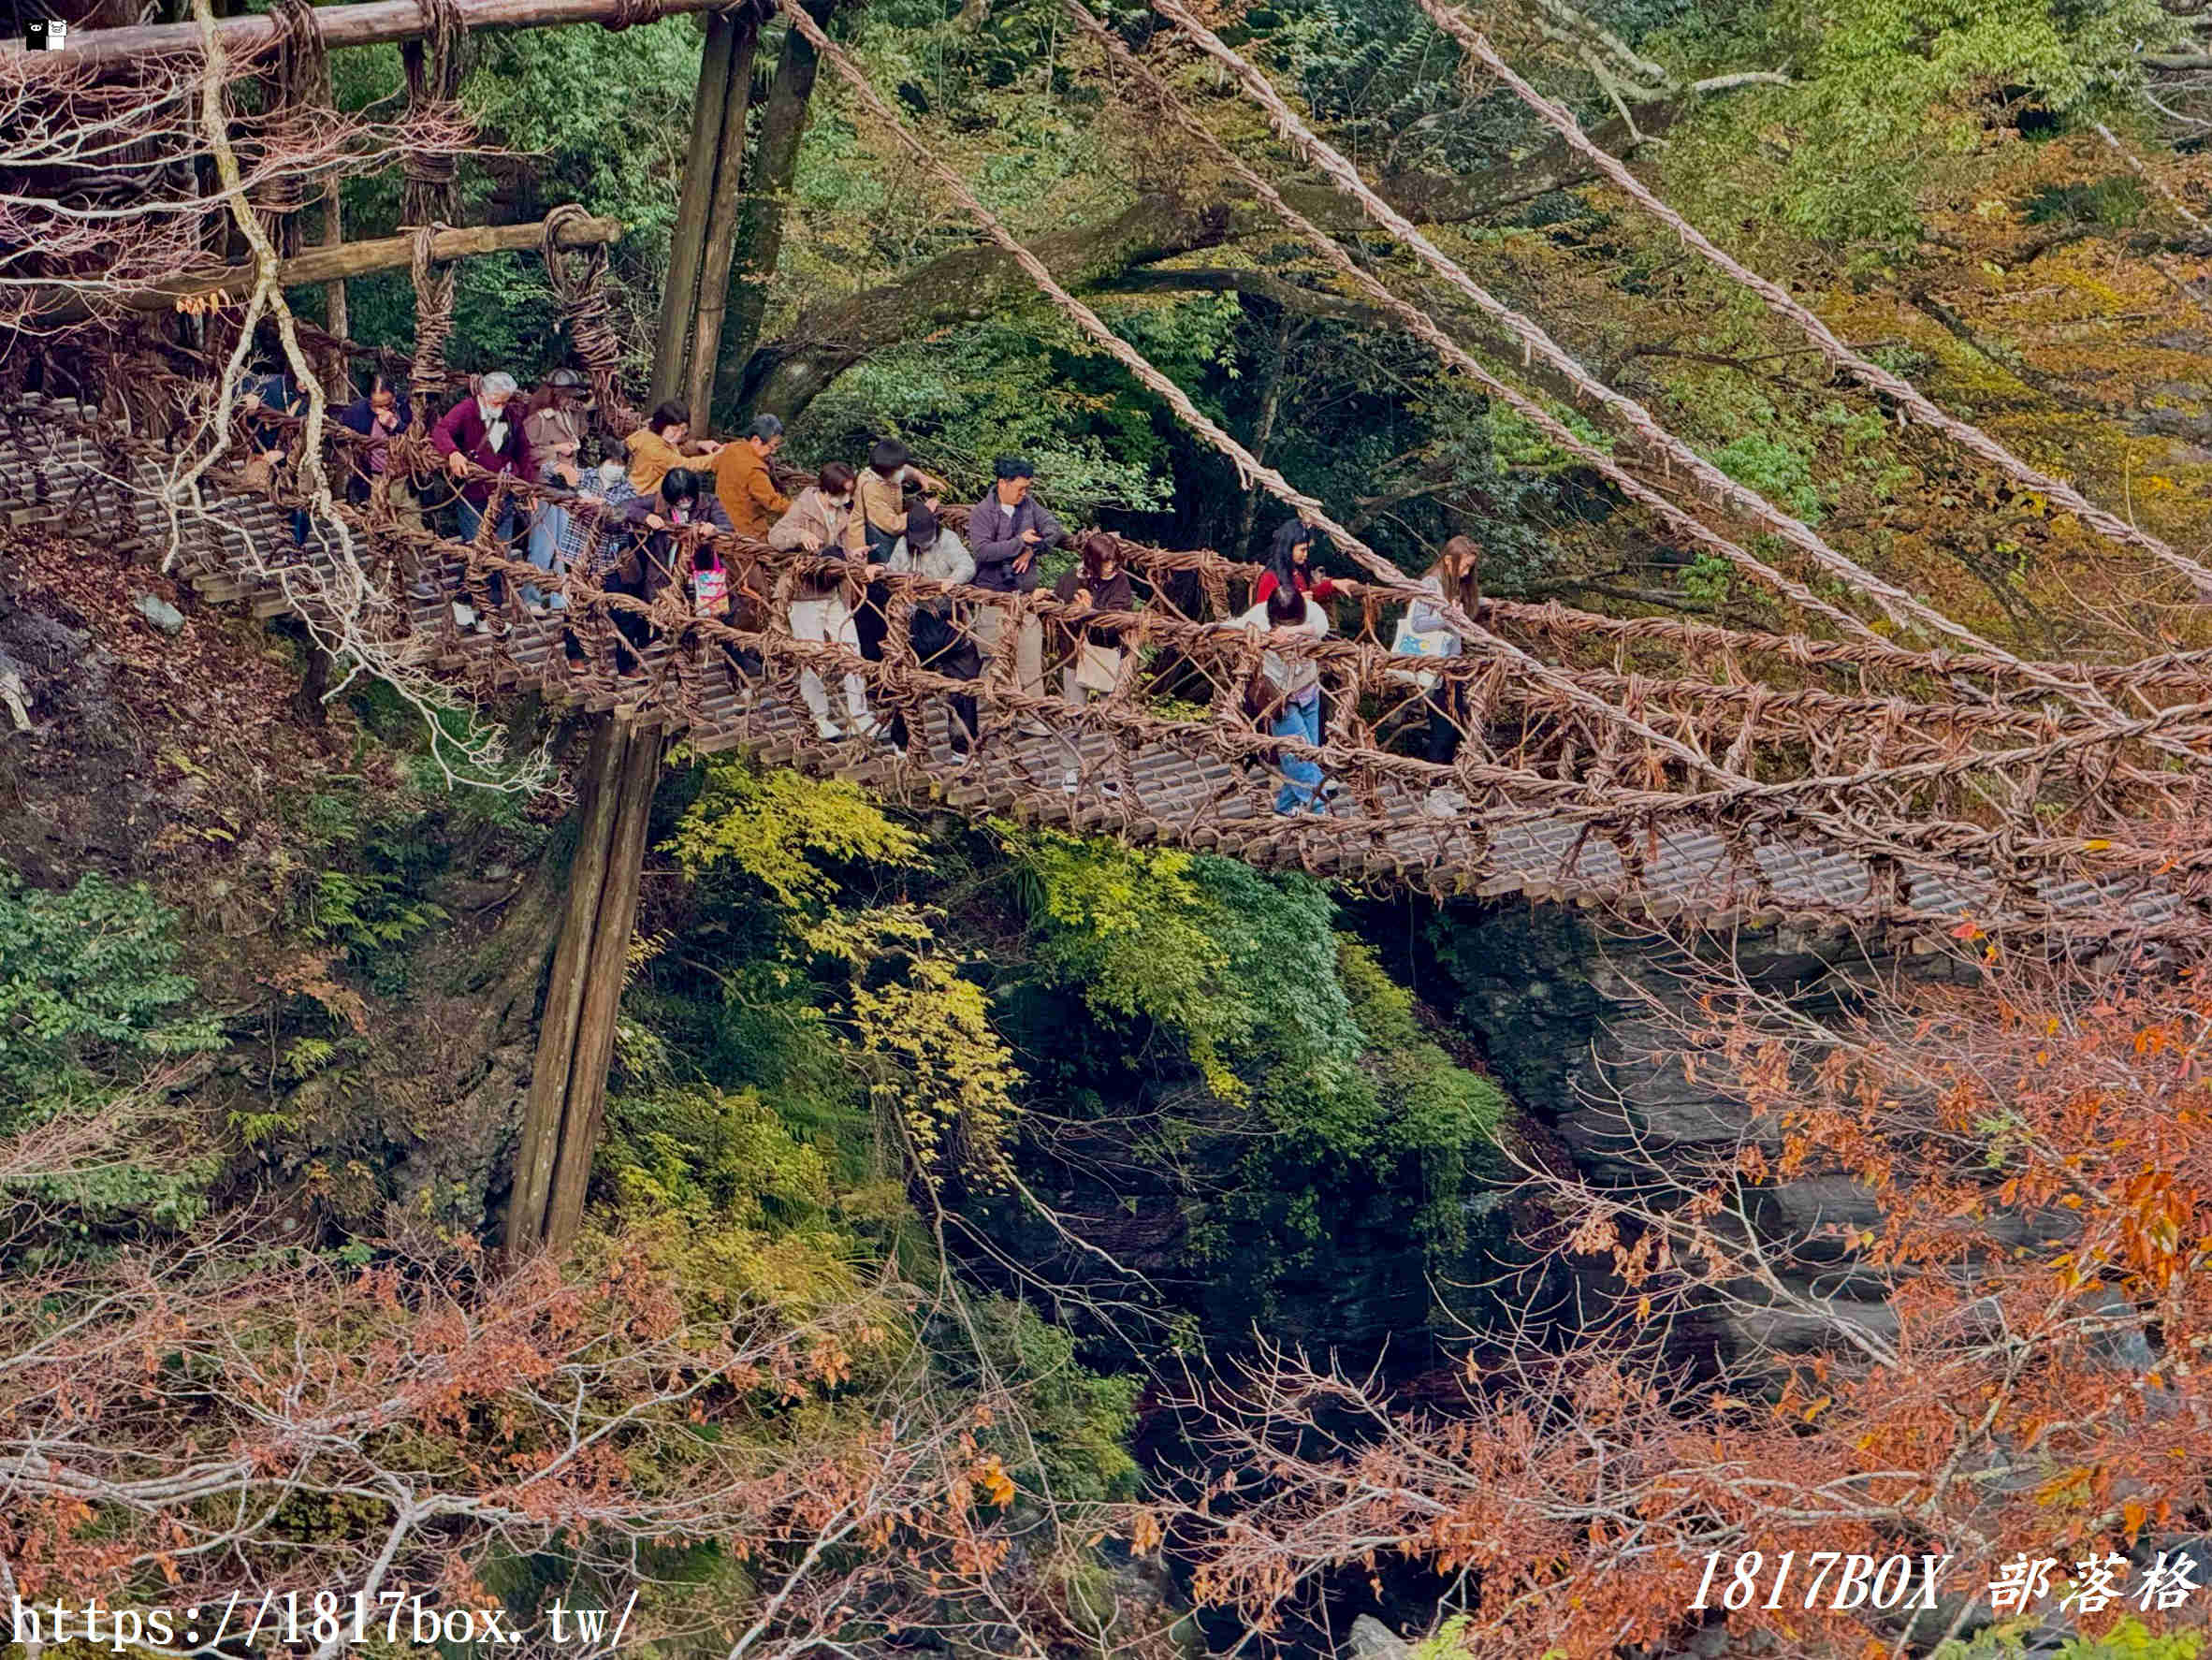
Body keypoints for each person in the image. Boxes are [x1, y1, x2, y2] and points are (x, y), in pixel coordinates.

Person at [767, 462, 880, 742]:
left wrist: (853, 555)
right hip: (805, 595)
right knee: (812, 656)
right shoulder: (803, 508)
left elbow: (838, 550)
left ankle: (860, 717)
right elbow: (775, 537)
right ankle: (818, 719)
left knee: (852, 651)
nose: (845, 499)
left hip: (834, 592)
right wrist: (800, 535)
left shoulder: (842, 513)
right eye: (842, 493)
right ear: (827, 489)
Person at [968, 456, 1065, 734]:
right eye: (1020, 488)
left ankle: (1030, 718)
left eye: (1027, 488)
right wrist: (1018, 542)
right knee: (994, 658)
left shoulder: (1029, 506)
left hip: (1026, 595)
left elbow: (1054, 528)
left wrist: (1032, 550)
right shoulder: (983, 512)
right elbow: (983, 551)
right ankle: (988, 719)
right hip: (992, 595)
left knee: (1031, 658)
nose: (1024, 493)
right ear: (1003, 483)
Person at [880, 494, 979, 756]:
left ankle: (962, 747)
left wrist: (952, 581)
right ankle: (902, 740)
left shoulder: (948, 540)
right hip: (919, 621)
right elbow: (892, 571)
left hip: (951, 619)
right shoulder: (904, 544)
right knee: (907, 678)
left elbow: (967, 565)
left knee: (963, 683)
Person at [1233, 578, 1331, 815]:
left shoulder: (1312, 611)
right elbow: (1234, 627)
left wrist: (1292, 631)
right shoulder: (1258, 616)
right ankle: (1318, 804)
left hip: (1308, 690)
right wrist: (1266, 634)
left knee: (1310, 751)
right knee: (1295, 752)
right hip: (1279, 696)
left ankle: (1285, 808)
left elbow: (1322, 628)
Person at [1053, 532, 1134, 794]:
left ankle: (1112, 775)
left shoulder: (1120, 581)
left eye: (1115, 562)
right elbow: (1060, 613)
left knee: (1111, 716)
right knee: (1073, 715)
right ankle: (1069, 773)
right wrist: (1076, 611)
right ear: (1092, 561)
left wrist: (1093, 608)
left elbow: (1120, 616)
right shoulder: (1071, 578)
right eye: (1106, 562)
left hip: (1108, 654)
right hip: (1075, 657)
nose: (1111, 567)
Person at [1406, 533, 1479, 767]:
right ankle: (1435, 787)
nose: (1467, 573)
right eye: (1465, 566)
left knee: (1454, 725)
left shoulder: (1454, 584)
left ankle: (1444, 783)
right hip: (1436, 667)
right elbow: (1418, 622)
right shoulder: (1431, 583)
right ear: (1449, 560)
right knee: (1442, 728)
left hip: (1452, 666)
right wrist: (1447, 615)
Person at [523, 369, 589, 604]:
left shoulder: (569, 414)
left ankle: (559, 598)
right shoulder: (537, 419)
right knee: (543, 545)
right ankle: (531, 597)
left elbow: (582, 429)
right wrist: (556, 449)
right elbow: (527, 453)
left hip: (567, 486)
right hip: (545, 487)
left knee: (565, 545)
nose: (570, 398)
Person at [710, 414, 791, 536]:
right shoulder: (754, 469)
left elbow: (715, 466)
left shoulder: (731, 448)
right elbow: (773, 503)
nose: (773, 452)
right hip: (745, 532)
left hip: (720, 521)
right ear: (756, 440)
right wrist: (798, 508)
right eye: (772, 447)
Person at [625, 400, 719, 495]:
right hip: (640, 497)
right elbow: (685, 466)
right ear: (662, 424)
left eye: (682, 430)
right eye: (674, 430)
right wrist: (717, 457)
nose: (678, 435)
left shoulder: (655, 434)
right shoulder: (652, 447)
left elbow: (675, 450)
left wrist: (699, 445)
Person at [1253, 519, 1336, 607]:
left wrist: (1333, 584)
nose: (1306, 554)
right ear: (1288, 548)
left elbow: (1309, 595)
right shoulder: (1270, 577)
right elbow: (1262, 613)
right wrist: (1297, 601)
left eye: (1307, 549)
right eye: (1302, 550)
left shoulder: (1298, 572)